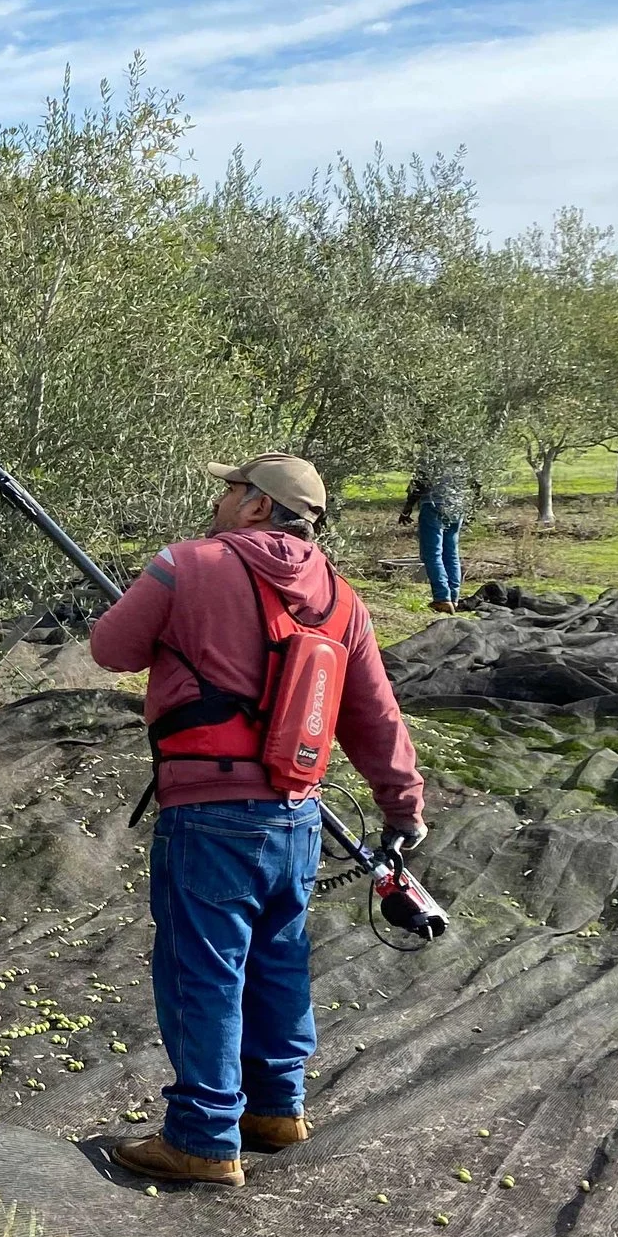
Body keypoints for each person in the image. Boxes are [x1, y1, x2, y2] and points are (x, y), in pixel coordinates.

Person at [88, 453, 425, 1189]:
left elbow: (110, 648)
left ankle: (204, 1139)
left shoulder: (186, 565)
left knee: (204, 969)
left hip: (206, 814)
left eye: (231, 487)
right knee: (279, 958)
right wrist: (404, 806)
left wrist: (159, 605)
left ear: (255, 506)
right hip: (296, 816)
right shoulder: (342, 598)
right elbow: (374, 716)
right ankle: (276, 1107)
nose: (220, 496)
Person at [400, 457, 475, 613]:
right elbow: (475, 480)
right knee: (451, 553)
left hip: (433, 504)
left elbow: (420, 482)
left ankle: (442, 598)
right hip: (457, 506)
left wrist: (408, 506)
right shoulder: (461, 452)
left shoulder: (431, 452)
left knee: (433, 554)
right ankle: (453, 598)